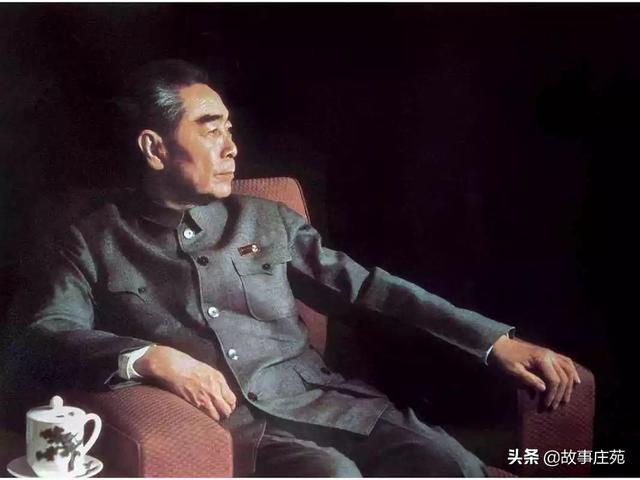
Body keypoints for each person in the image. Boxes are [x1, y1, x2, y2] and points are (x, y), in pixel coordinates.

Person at [9, 59, 581, 477]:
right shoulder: (88, 238)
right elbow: (45, 331)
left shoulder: (266, 219)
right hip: (235, 429)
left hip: (327, 403)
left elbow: (371, 289)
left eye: (230, 128)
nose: (231, 146)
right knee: (333, 476)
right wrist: (149, 357)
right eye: (210, 128)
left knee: (449, 464)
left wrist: (493, 342)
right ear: (155, 149)